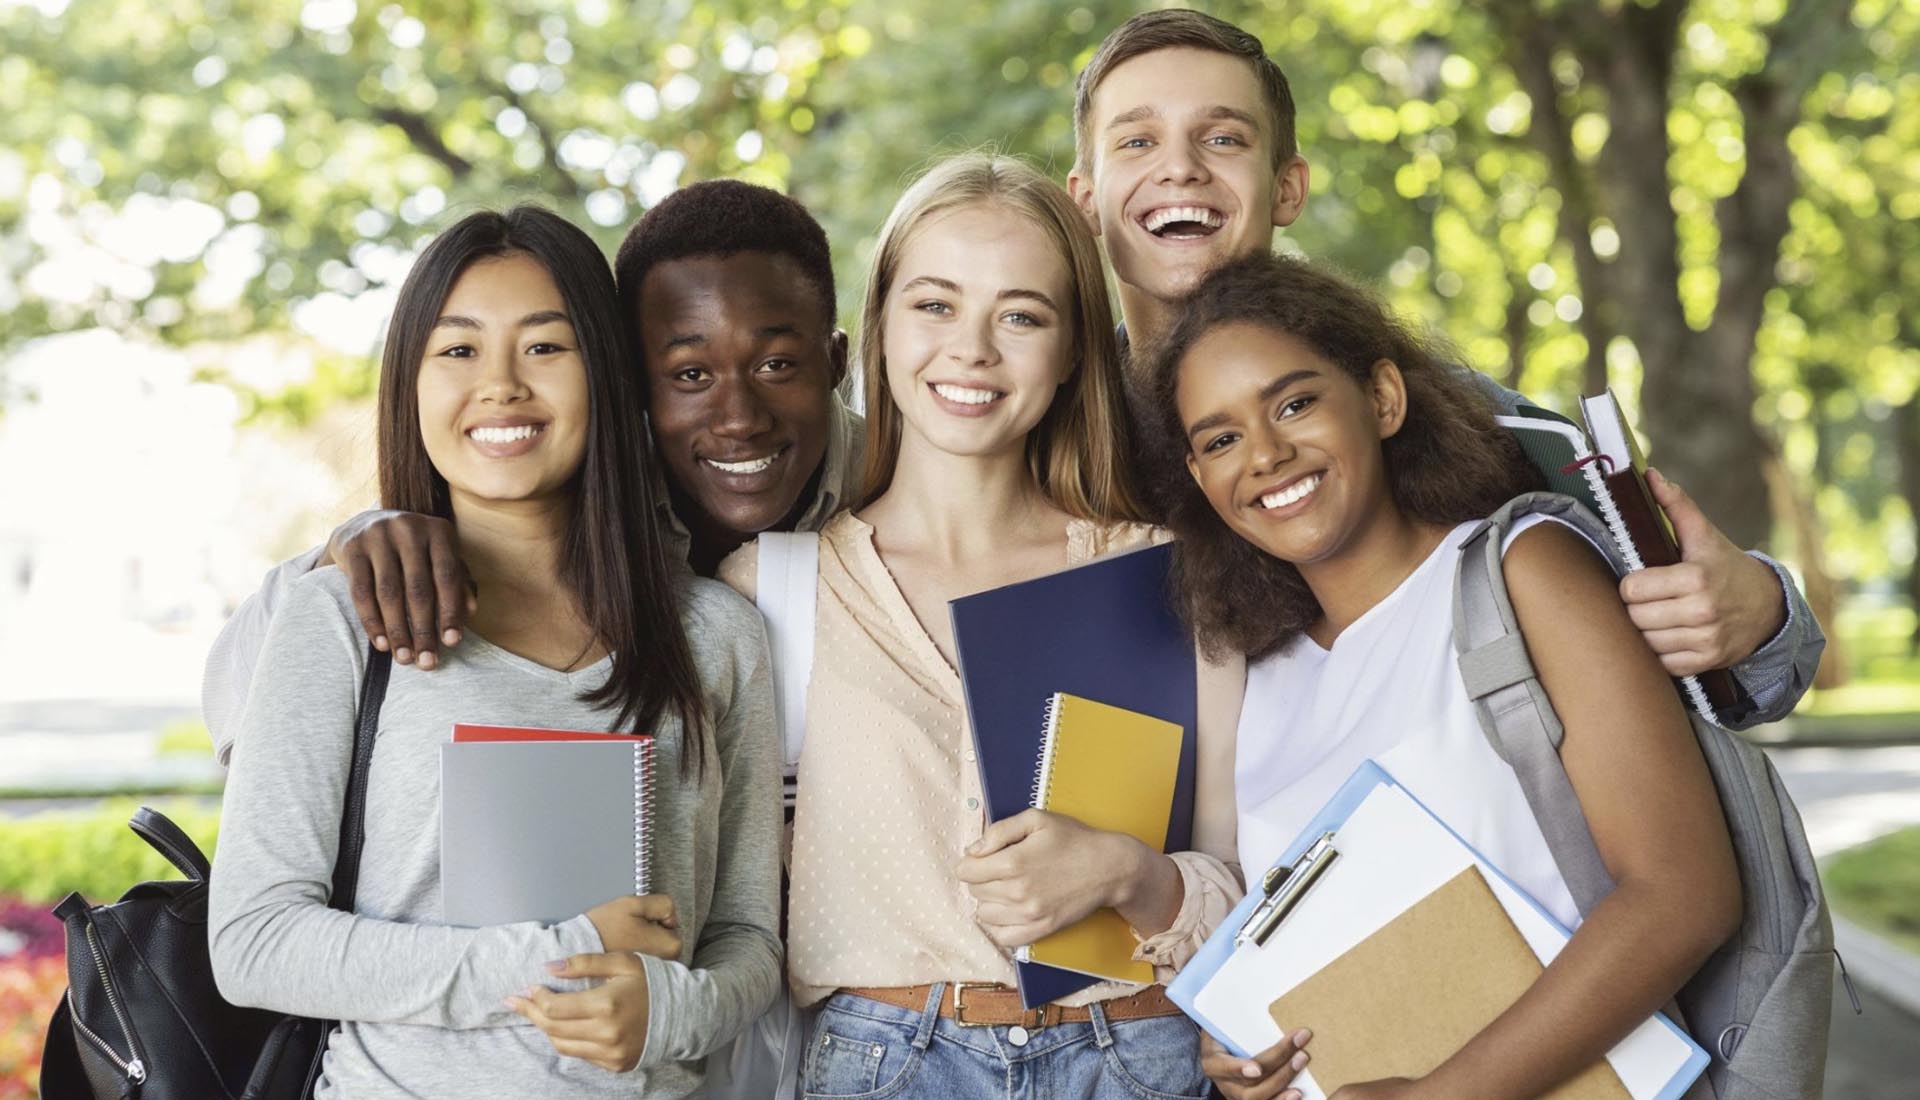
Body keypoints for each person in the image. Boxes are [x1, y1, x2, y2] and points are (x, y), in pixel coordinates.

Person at [1065, 7, 1824, 729]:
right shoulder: (1043, 438)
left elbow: (1712, 675)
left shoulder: (1453, 418)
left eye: (1223, 138)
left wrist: (1757, 615)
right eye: (1136, 142)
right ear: (1085, 201)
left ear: (1288, 187)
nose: (1181, 170)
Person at [205, 206, 783, 1098]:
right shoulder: (340, 620)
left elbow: (749, 934)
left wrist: (672, 1011)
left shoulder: (717, 635)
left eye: (547, 348)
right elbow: (254, 942)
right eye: (460, 350)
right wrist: (566, 955)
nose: (502, 386)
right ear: (411, 383)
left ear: (608, 372)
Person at [1145, 252, 1740, 1100]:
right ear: (1202, 478)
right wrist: (1249, 1056)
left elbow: (1685, 897)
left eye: (1296, 403)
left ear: (1383, 399)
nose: (1267, 454)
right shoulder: (1258, 675)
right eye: (1222, 438)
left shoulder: (1523, 570)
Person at [715, 154, 1247, 1100]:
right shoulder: (772, 590)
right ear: (877, 325)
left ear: (1076, 348)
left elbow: (1250, 893)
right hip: (881, 1060)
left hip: (1137, 1054)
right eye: (934, 305)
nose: (972, 350)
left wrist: (1130, 874)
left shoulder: (1165, 576)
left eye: (1021, 315)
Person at [201, 181, 861, 763]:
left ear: (835, 362)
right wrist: (344, 556)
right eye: (689, 375)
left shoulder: (903, 487)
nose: (739, 418)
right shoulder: (563, 495)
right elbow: (240, 711)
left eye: (776, 366)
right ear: (628, 381)